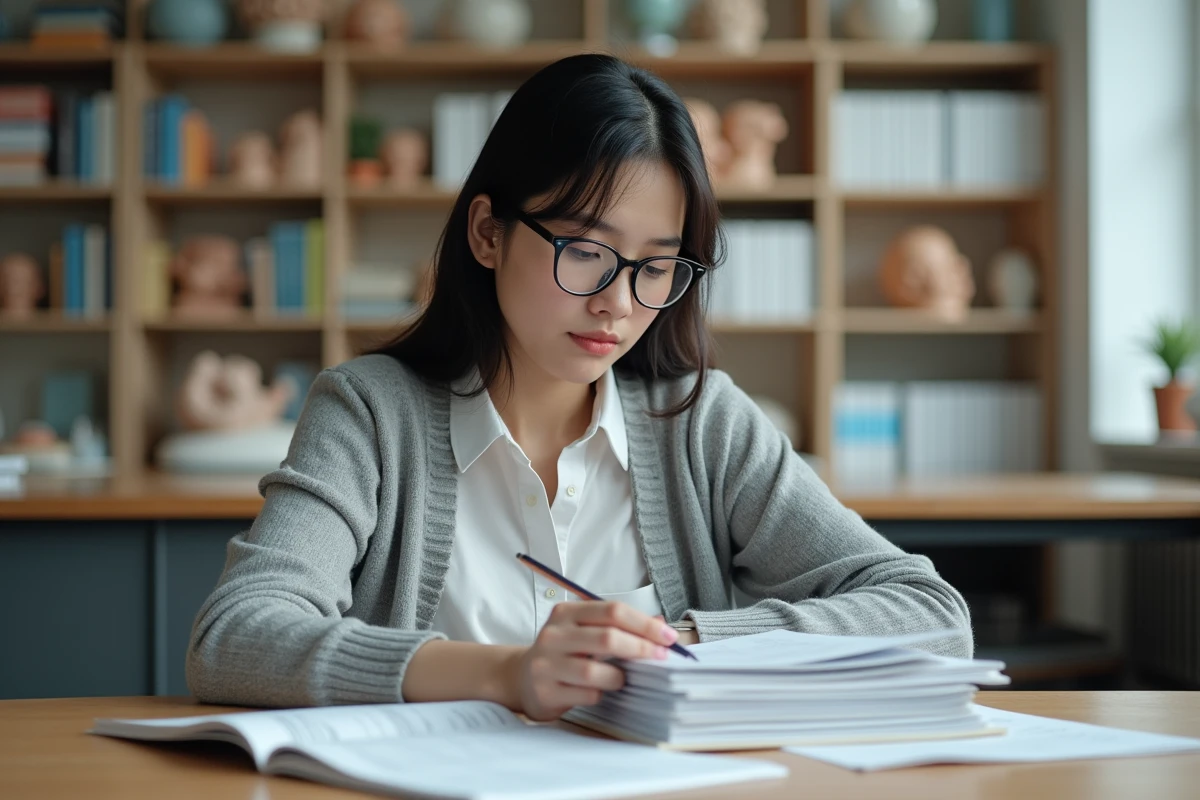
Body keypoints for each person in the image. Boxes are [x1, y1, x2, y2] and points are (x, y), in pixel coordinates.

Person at [187, 54, 972, 719]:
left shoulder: (701, 422)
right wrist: (505, 674)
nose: (619, 303)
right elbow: (235, 637)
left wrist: (680, 645)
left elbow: (930, 615)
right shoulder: (367, 413)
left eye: (656, 265)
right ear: (488, 233)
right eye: (586, 251)